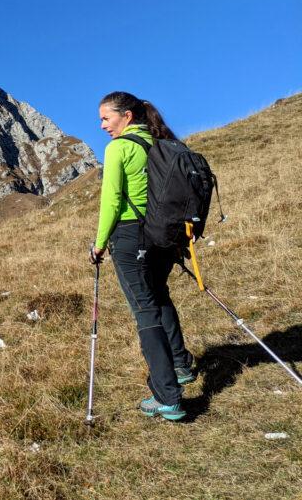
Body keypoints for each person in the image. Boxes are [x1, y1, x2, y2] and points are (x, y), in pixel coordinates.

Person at [92, 91, 195, 421]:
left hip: (129, 235)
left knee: (145, 310)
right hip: (161, 235)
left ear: (127, 116)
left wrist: (98, 244)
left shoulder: (119, 148)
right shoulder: (160, 142)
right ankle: (180, 365)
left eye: (106, 118)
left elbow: (111, 202)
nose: (102, 125)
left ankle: (168, 397)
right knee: (159, 295)